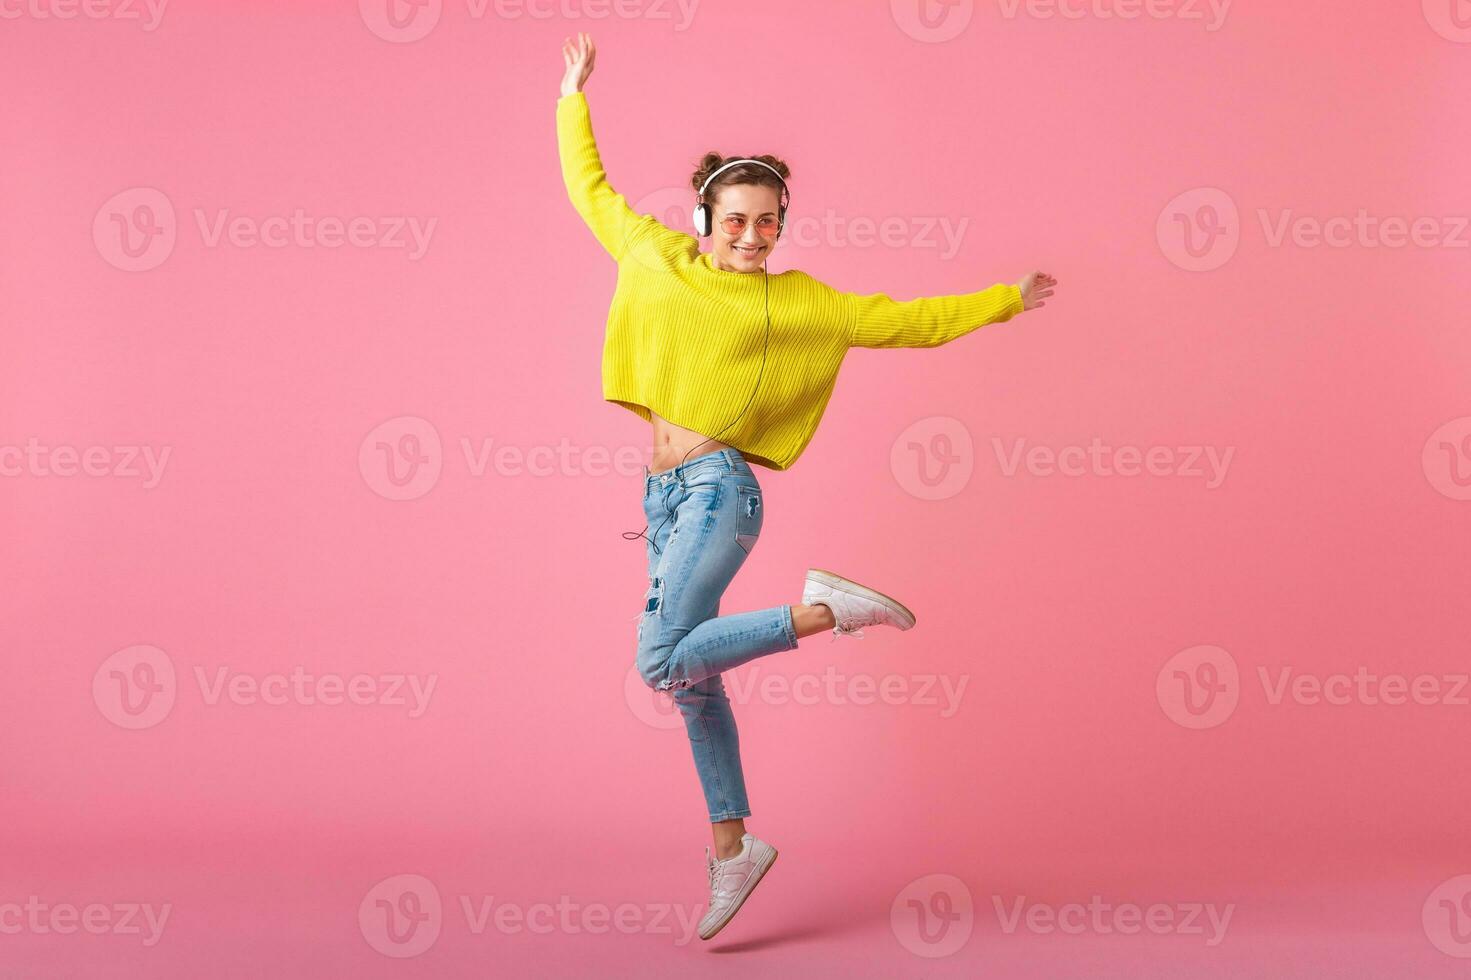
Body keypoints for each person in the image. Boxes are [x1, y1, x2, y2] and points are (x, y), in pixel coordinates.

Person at [556, 32, 1057, 942]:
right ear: (705, 218)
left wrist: (1002, 300)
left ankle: (824, 613)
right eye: (736, 220)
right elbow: (590, 189)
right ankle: (732, 850)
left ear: (781, 224)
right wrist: (571, 97)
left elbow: (906, 323)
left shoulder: (801, 302)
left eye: (768, 222)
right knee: (692, 680)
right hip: (662, 500)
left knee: (661, 660)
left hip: (718, 491)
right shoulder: (652, 255)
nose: (752, 237)